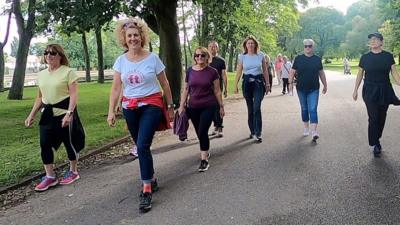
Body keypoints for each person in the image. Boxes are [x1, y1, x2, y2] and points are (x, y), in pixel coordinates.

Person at [107, 18, 174, 212]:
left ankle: (146, 189)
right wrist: (111, 110)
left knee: (143, 145)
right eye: (129, 36)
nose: (133, 38)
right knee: (140, 145)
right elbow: (116, 87)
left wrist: (170, 105)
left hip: (151, 105)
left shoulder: (152, 58)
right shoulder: (121, 61)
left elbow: (165, 84)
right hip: (130, 107)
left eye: (136, 35)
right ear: (124, 38)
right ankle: (151, 178)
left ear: (142, 36)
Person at [25, 44, 85, 192]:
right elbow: (40, 97)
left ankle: (73, 171)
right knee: (44, 144)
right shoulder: (42, 74)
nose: (49, 56)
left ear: (60, 56)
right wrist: (31, 114)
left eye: (53, 53)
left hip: (64, 113)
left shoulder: (68, 72)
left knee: (69, 142)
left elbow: (73, 95)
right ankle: (50, 176)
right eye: (46, 53)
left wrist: (69, 113)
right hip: (47, 114)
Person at [352, 32, 400, 157]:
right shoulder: (365, 57)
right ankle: (375, 143)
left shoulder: (388, 56)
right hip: (370, 90)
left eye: (375, 39)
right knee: (373, 117)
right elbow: (360, 74)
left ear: (381, 42)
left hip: (384, 89)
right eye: (371, 40)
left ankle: (377, 137)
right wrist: (355, 89)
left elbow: (394, 73)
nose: (372, 41)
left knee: (382, 117)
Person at [178, 47, 224, 172]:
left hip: (209, 106)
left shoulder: (213, 72)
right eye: (197, 55)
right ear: (194, 57)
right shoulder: (190, 71)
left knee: (203, 130)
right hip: (193, 107)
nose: (199, 58)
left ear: (207, 57)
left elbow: (217, 91)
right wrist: (181, 106)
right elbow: (186, 89)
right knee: (199, 132)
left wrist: (221, 106)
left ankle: (204, 159)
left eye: (202, 55)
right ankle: (206, 150)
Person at [289, 39, 327, 142]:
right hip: (301, 88)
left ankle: (314, 132)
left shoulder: (317, 59)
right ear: (303, 47)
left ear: (312, 47)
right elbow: (292, 72)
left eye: (310, 46)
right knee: (304, 108)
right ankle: (306, 127)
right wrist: (290, 84)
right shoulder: (298, 59)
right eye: (306, 46)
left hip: (314, 88)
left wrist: (325, 85)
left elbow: (321, 73)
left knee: (313, 109)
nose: (308, 48)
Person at [234, 35, 270, 142]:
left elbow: (265, 70)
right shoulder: (242, 57)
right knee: (250, 108)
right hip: (247, 83)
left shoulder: (261, 55)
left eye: (252, 43)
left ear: (255, 45)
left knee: (256, 107)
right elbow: (239, 71)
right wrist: (235, 85)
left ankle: (258, 132)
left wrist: (267, 84)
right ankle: (252, 131)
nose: (250, 45)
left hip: (258, 83)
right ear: (245, 45)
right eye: (248, 43)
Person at [208, 41, 227, 137]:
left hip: (218, 87)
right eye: (210, 46)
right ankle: (215, 125)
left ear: (217, 48)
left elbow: (224, 74)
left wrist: (226, 88)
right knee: (209, 108)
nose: (212, 48)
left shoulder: (221, 60)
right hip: (206, 88)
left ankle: (220, 127)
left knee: (219, 106)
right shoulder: (205, 60)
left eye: (215, 46)